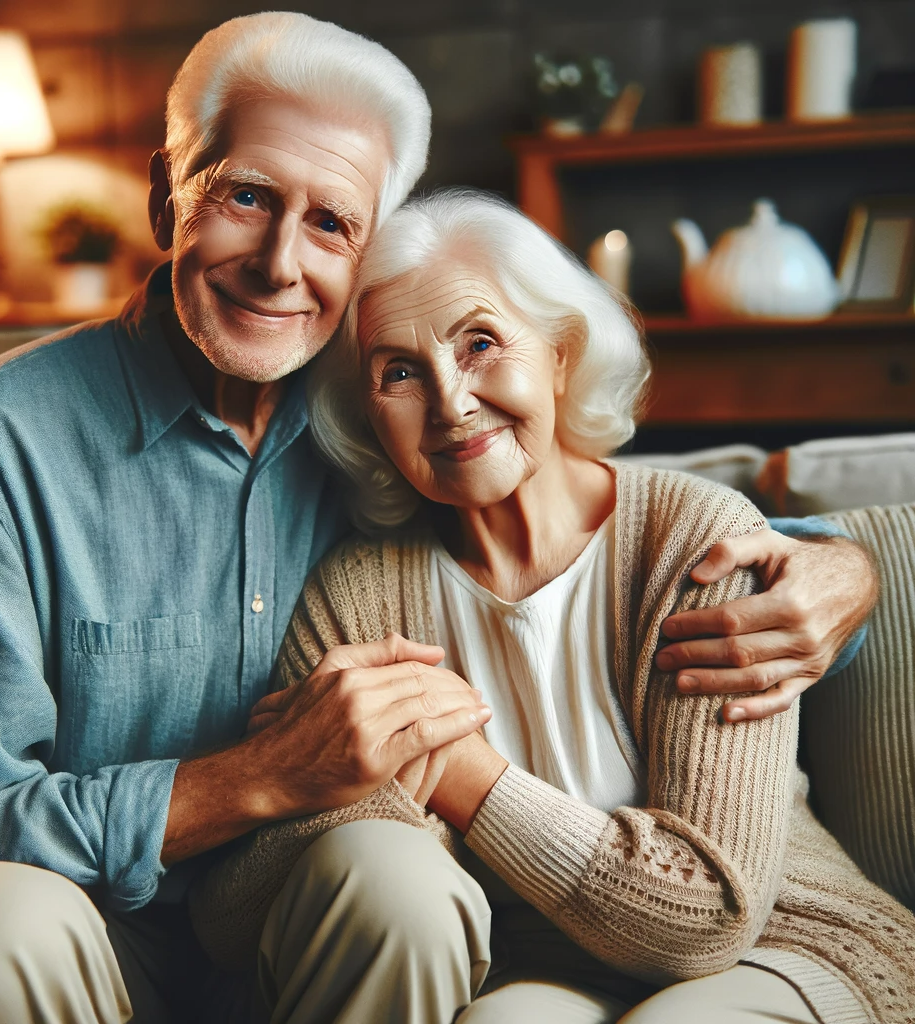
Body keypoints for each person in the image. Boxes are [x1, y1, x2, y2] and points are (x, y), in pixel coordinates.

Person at [0, 13, 877, 1024]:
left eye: (331, 223)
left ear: (367, 256)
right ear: (163, 197)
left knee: (392, 874)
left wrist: (837, 565)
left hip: (320, 930)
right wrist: (255, 777)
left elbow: (592, 510)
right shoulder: (12, 433)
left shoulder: (376, 404)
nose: (281, 264)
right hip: (88, 931)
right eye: (245, 197)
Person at [192, 190, 915, 1023]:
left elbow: (706, 919)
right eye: (397, 372)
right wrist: (338, 778)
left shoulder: (696, 543)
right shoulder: (356, 591)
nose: (451, 402)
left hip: (785, 947)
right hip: (536, 970)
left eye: (481, 343)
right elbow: (232, 919)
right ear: (367, 417)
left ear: (562, 353)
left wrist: (457, 774)